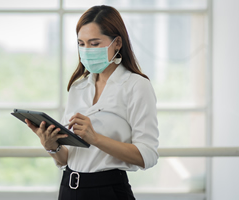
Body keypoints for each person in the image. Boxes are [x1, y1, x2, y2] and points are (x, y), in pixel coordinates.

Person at [25, 5, 159, 200]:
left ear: (117, 43)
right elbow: (67, 158)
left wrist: (95, 138)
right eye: (81, 43)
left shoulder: (137, 86)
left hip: (109, 191)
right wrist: (52, 146)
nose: (86, 50)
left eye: (94, 44)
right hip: (69, 189)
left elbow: (148, 155)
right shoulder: (78, 88)